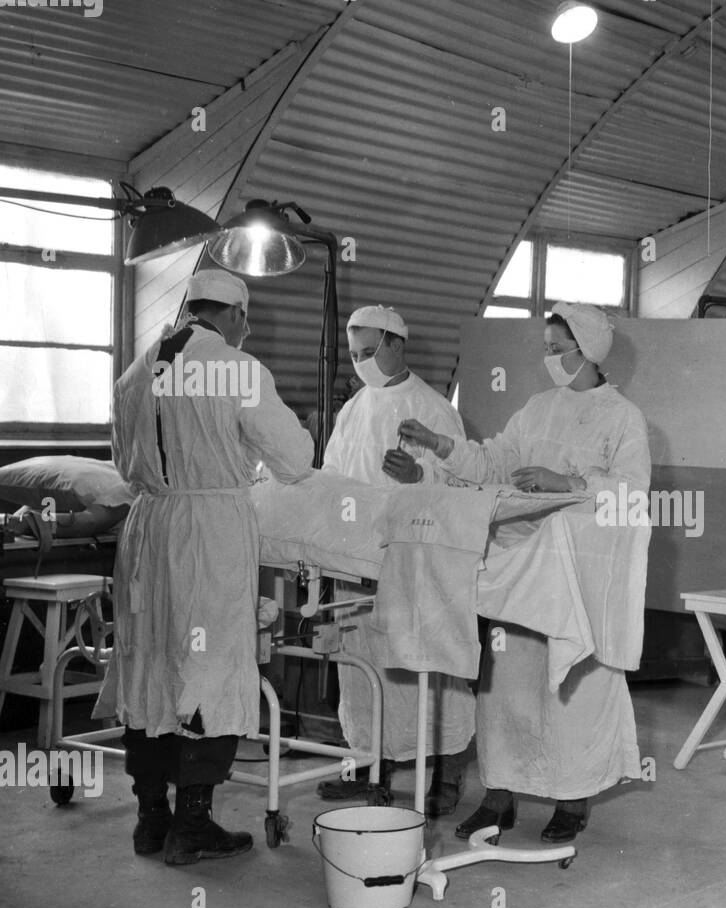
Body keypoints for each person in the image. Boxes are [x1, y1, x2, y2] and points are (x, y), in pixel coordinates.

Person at [398, 302, 649, 842]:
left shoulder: (622, 418)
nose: (550, 357)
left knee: (571, 688)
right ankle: (499, 795)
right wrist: (440, 444)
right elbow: (493, 462)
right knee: (505, 687)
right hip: (518, 568)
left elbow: (631, 498)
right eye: (547, 348)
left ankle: (572, 798)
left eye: (558, 349)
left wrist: (568, 484)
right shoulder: (536, 408)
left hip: (578, 579)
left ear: (589, 352)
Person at [93, 269, 314, 864]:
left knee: (149, 664)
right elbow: (294, 459)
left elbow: (121, 462)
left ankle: (150, 818)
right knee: (210, 665)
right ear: (235, 316)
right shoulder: (239, 369)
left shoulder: (134, 372)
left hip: (147, 529)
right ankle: (193, 825)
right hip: (208, 531)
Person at [314, 305, 476, 814]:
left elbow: (463, 485)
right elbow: (332, 474)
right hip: (357, 555)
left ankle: (446, 774)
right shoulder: (353, 409)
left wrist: (417, 478)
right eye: (355, 354)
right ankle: (369, 766)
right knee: (362, 663)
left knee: (425, 662)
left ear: (396, 344)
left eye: (369, 352)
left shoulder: (433, 409)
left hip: (415, 557)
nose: (361, 363)